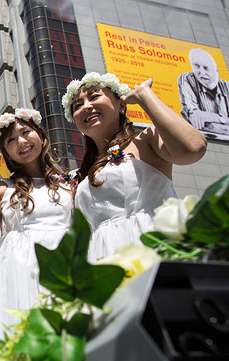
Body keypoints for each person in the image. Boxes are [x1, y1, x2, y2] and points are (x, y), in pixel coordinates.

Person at [62, 72, 207, 261]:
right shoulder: (81, 174)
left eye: (94, 96)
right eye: (78, 106)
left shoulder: (145, 139)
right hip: (103, 256)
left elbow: (193, 147)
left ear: (121, 104)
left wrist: (145, 96)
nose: (86, 107)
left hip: (150, 245)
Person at [0, 109, 74, 340]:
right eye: (10, 140)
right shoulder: (2, 186)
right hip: (19, 272)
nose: (21, 141)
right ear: (5, 152)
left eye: (26, 132)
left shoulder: (70, 183)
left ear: (41, 135)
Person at [178, 48, 229, 135]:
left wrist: (216, 118)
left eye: (206, 68)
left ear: (216, 70)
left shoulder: (226, 87)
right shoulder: (187, 79)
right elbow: (196, 122)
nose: (201, 72)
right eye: (196, 66)